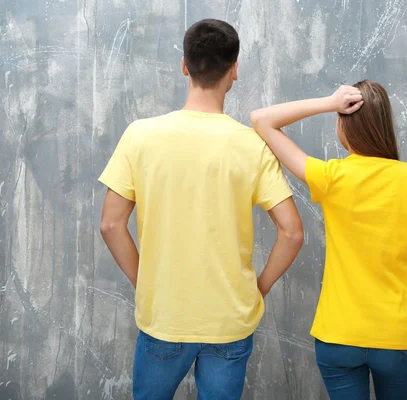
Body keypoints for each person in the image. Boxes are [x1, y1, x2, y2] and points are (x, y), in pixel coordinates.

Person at [98, 19, 304, 400]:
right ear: (234, 70)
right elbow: (292, 232)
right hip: (229, 319)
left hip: (164, 316)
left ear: (184, 65)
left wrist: (147, 284)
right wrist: (258, 289)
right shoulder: (252, 145)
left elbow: (111, 225)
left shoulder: (140, 135)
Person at [250, 81, 407, 400]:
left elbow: (262, 120)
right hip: (396, 335)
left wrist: (330, 102)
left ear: (345, 124)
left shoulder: (331, 177)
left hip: (338, 336)